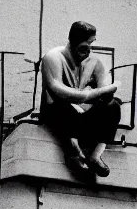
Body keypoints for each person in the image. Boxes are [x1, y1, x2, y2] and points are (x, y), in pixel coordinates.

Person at [40, 21, 121, 178]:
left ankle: (96, 155)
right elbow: (57, 90)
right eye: (85, 45)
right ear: (73, 42)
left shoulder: (94, 63)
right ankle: (74, 152)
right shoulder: (53, 57)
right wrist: (94, 94)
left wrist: (107, 92)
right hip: (58, 113)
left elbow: (104, 93)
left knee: (113, 106)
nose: (88, 50)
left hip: (80, 117)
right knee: (61, 106)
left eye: (91, 44)